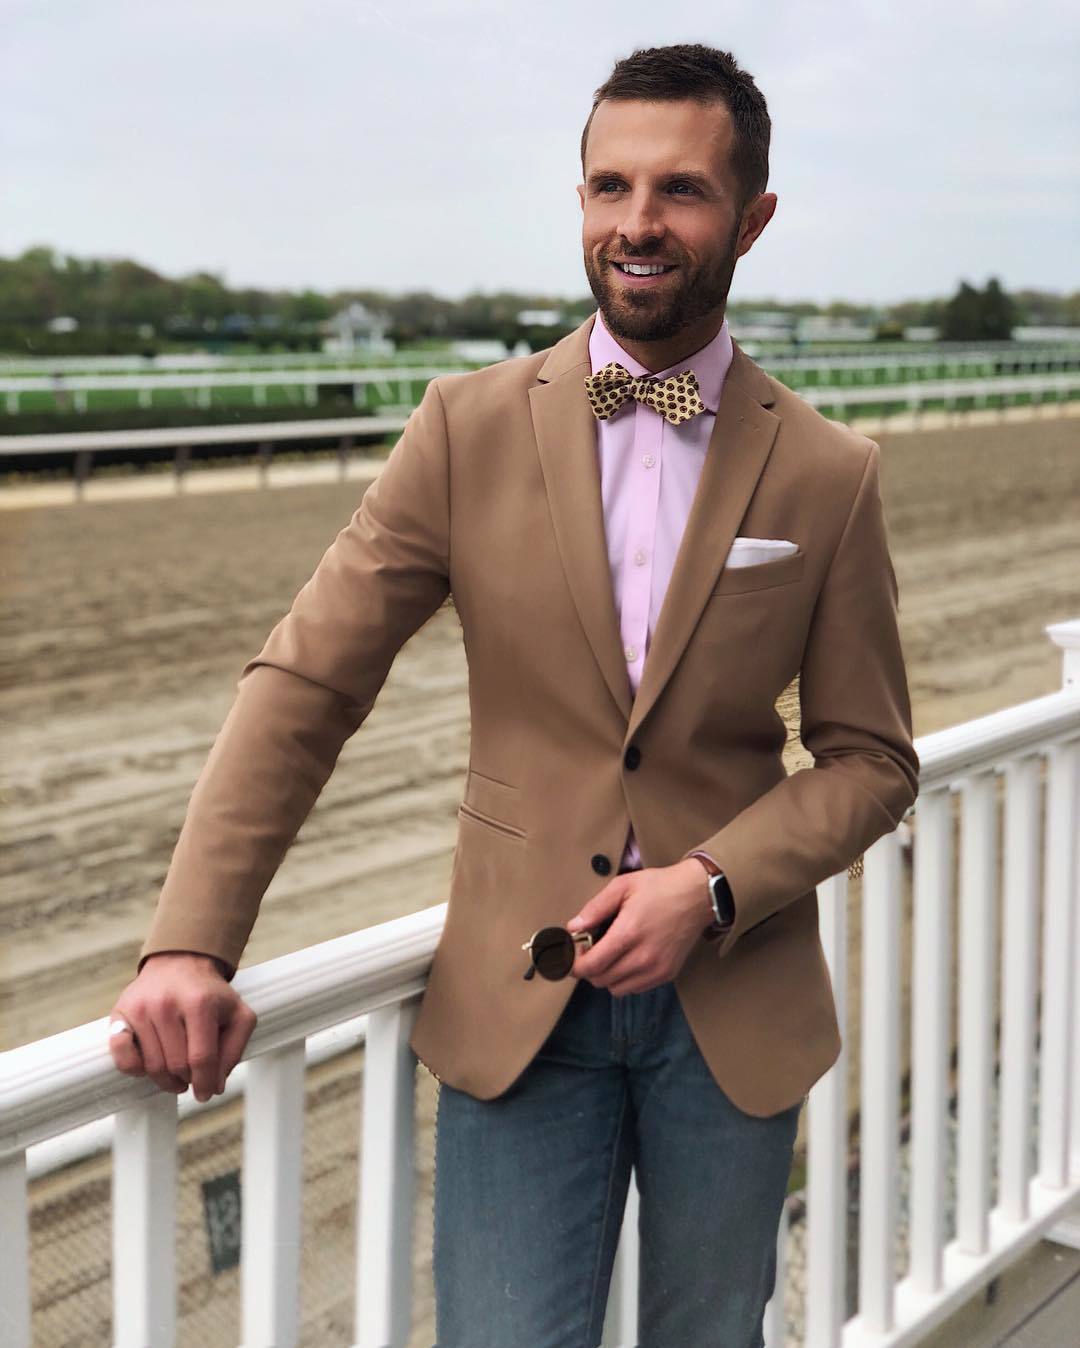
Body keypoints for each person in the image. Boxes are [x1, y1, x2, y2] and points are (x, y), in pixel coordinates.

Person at [109, 43, 918, 1347]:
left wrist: (708, 886)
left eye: (680, 191)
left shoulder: (830, 472)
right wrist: (191, 944)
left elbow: (872, 757)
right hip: (517, 1006)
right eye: (608, 187)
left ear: (753, 216)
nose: (636, 224)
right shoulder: (463, 426)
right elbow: (309, 681)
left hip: (736, 1008)